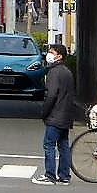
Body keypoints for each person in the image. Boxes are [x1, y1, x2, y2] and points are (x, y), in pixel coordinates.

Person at [37, 43, 75, 184]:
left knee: (49, 144)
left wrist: (44, 112)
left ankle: (50, 175)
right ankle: (64, 176)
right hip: (66, 115)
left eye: (52, 52)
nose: (49, 55)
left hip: (55, 115)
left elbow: (51, 95)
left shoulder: (54, 72)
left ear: (59, 56)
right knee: (63, 145)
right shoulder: (67, 72)